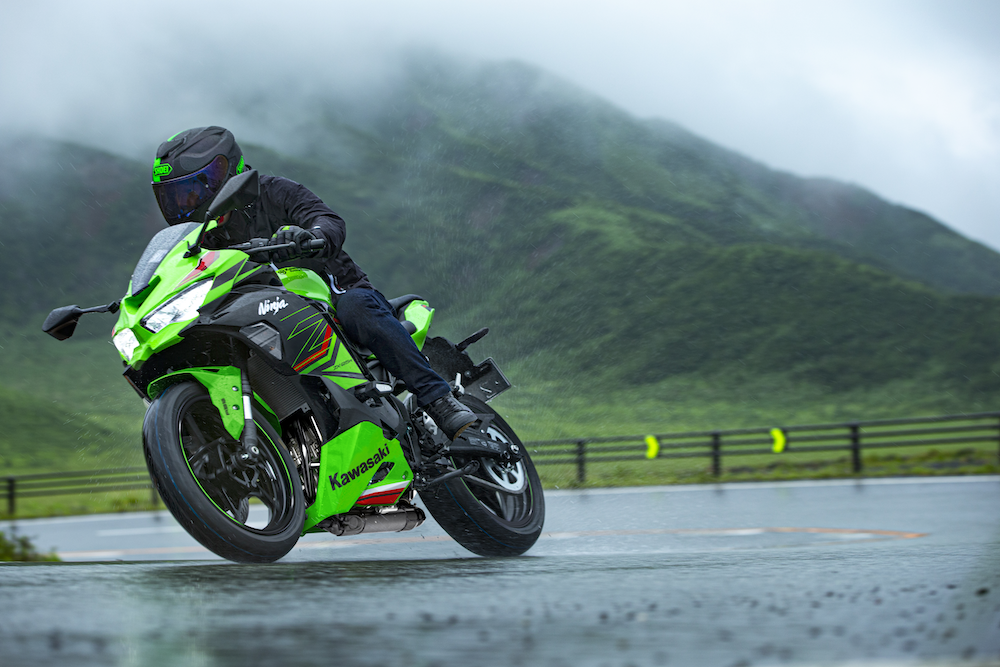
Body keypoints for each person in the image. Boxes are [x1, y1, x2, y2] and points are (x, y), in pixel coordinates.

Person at [150, 126, 477, 440]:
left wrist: (309, 236)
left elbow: (328, 220)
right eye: (176, 197)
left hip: (332, 294)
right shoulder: (199, 239)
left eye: (194, 190)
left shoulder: (274, 191)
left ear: (226, 173)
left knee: (356, 308)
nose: (187, 203)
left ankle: (440, 400)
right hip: (261, 313)